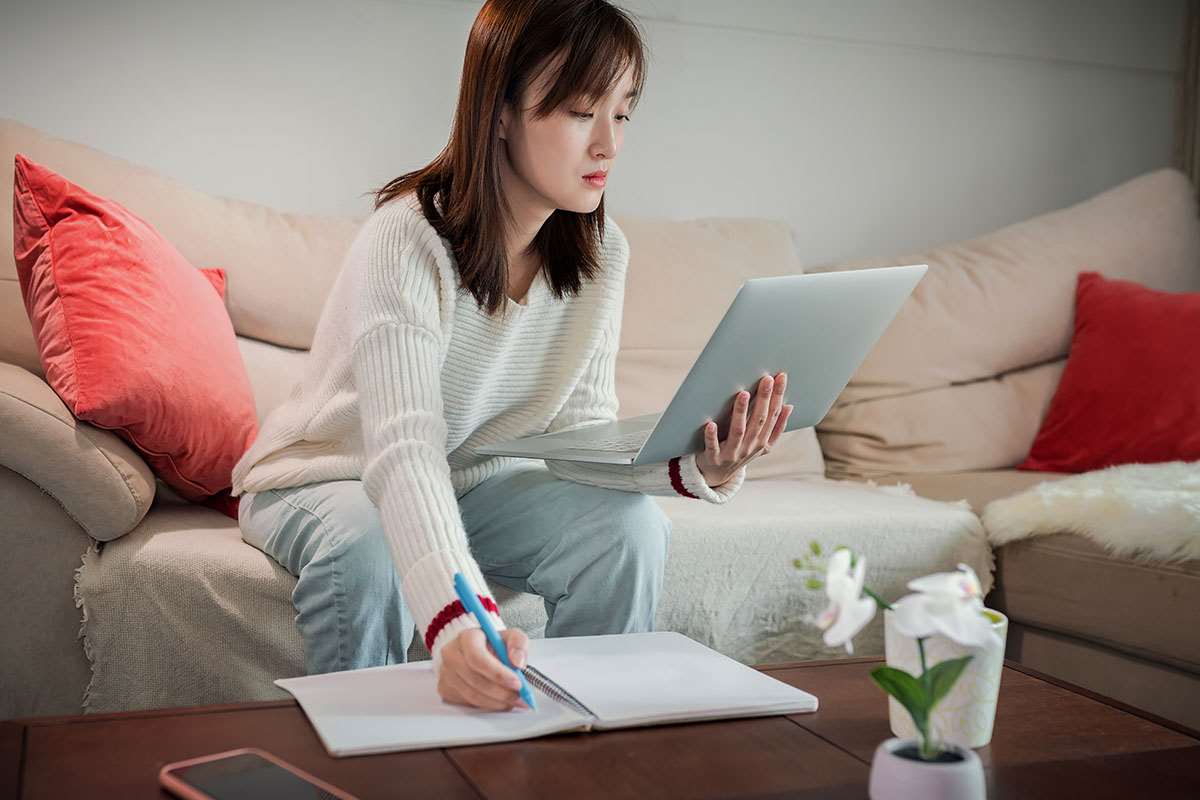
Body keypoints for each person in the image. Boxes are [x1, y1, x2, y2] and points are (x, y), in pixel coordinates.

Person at [231, 0, 792, 713]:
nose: (608, 145)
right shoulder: (406, 238)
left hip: (479, 484)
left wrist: (701, 465)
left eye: (622, 113)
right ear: (500, 111)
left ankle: (585, 747)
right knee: (367, 546)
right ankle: (361, 758)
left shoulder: (602, 253)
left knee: (627, 530)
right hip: (323, 476)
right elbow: (403, 449)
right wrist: (455, 621)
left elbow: (580, 439)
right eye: (580, 111)